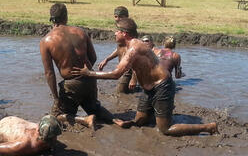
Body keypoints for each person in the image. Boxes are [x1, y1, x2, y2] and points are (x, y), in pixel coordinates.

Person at [71, 18, 218, 136]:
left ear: (125, 33)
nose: (115, 33)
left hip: (162, 86)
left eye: (117, 31)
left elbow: (116, 74)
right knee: (139, 122)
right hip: (149, 90)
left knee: (165, 130)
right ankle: (162, 110)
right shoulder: (130, 46)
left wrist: (89, 73)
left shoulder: (134, 48)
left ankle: (208, 127)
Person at [39, 3, 121, 129]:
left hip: (72, 84)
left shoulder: (46, 41)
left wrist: (56, 97)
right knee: (93, 107)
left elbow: (49, 73)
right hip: (90, 78)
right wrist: (85, 72)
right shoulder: (81, 32)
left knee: (56, 117)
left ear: (51, 18)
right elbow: (93, 57)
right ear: (66, 17)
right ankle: (116, 120)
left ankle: (84, 120)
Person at [98, 6, 137, 94]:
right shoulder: (119, 29)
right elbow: (120, 48)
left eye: (120, 17)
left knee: (120, 93)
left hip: (129, 69)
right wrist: (107, 59)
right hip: (123, 67)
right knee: (127, 93)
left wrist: (134, 78)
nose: (117, 19)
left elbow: (135, 56)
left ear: (127, 17)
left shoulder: (129, 30)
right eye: (116, 16)